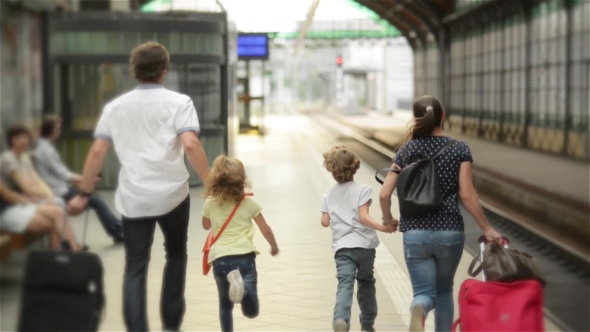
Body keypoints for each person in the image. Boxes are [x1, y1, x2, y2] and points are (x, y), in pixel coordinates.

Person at [68, 41, 210, 332]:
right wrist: (211, 183)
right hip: (172, 194)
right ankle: (171, 324)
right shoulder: (179, 102)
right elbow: (191, 145)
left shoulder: (115, 107)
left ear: (134, 71)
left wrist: (84, 193)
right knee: (176, 254)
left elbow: (96, 152)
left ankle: (136, 328)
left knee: (135, 266)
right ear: (164, 70)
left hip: (134, 197)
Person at [378, 95, 502, 332]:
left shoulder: (406, 150)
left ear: (416, 118)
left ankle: (420, 307)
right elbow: (467, 194)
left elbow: (384, 194)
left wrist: (388, 219)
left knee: (424, 293)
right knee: (444, 290)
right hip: (449, 232)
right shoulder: (459, 149)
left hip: (415, 233)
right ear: (442, 116)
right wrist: (487, 228)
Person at [320, 146, 395, 332]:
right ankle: (367, 324)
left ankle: (341, 319)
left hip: (342, 249)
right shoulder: (363, 190)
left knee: (345, 284)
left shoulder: (328, 193)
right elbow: (364, 217)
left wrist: (333, 213)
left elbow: (324, 222)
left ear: (331, 169)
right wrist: (383, 227)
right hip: (364, 247)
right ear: (355, 167)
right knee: (366, 282)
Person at [202, 155, 279, 332]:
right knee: (251, 311)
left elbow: (206, 225)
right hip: (244, 258)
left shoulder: (211, 202)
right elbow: (266, 229)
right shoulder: (250, 203)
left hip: (220, 259)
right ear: (241, 180)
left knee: (224, 305)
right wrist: (273, 246)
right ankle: (243, 292)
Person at [34, 115, 124, 243]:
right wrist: (86, 179)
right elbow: (62, 174)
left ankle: (118, 230)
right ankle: (118, 230)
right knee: (96, 200)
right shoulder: (44, 150)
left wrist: (85, 180)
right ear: (50, 130)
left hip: (60, 187)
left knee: (96, 199)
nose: (59, 133)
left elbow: (61, 173)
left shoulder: (45, 148)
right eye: (57, 129)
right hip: (57, 191)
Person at [0, 181, 79, 250]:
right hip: (4, 211)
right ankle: (67, 254)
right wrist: (28, 202)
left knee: (59, 212)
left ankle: (71, 251)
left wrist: (48, 195)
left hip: (12, 206)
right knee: (56, 222)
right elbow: (7, 194)